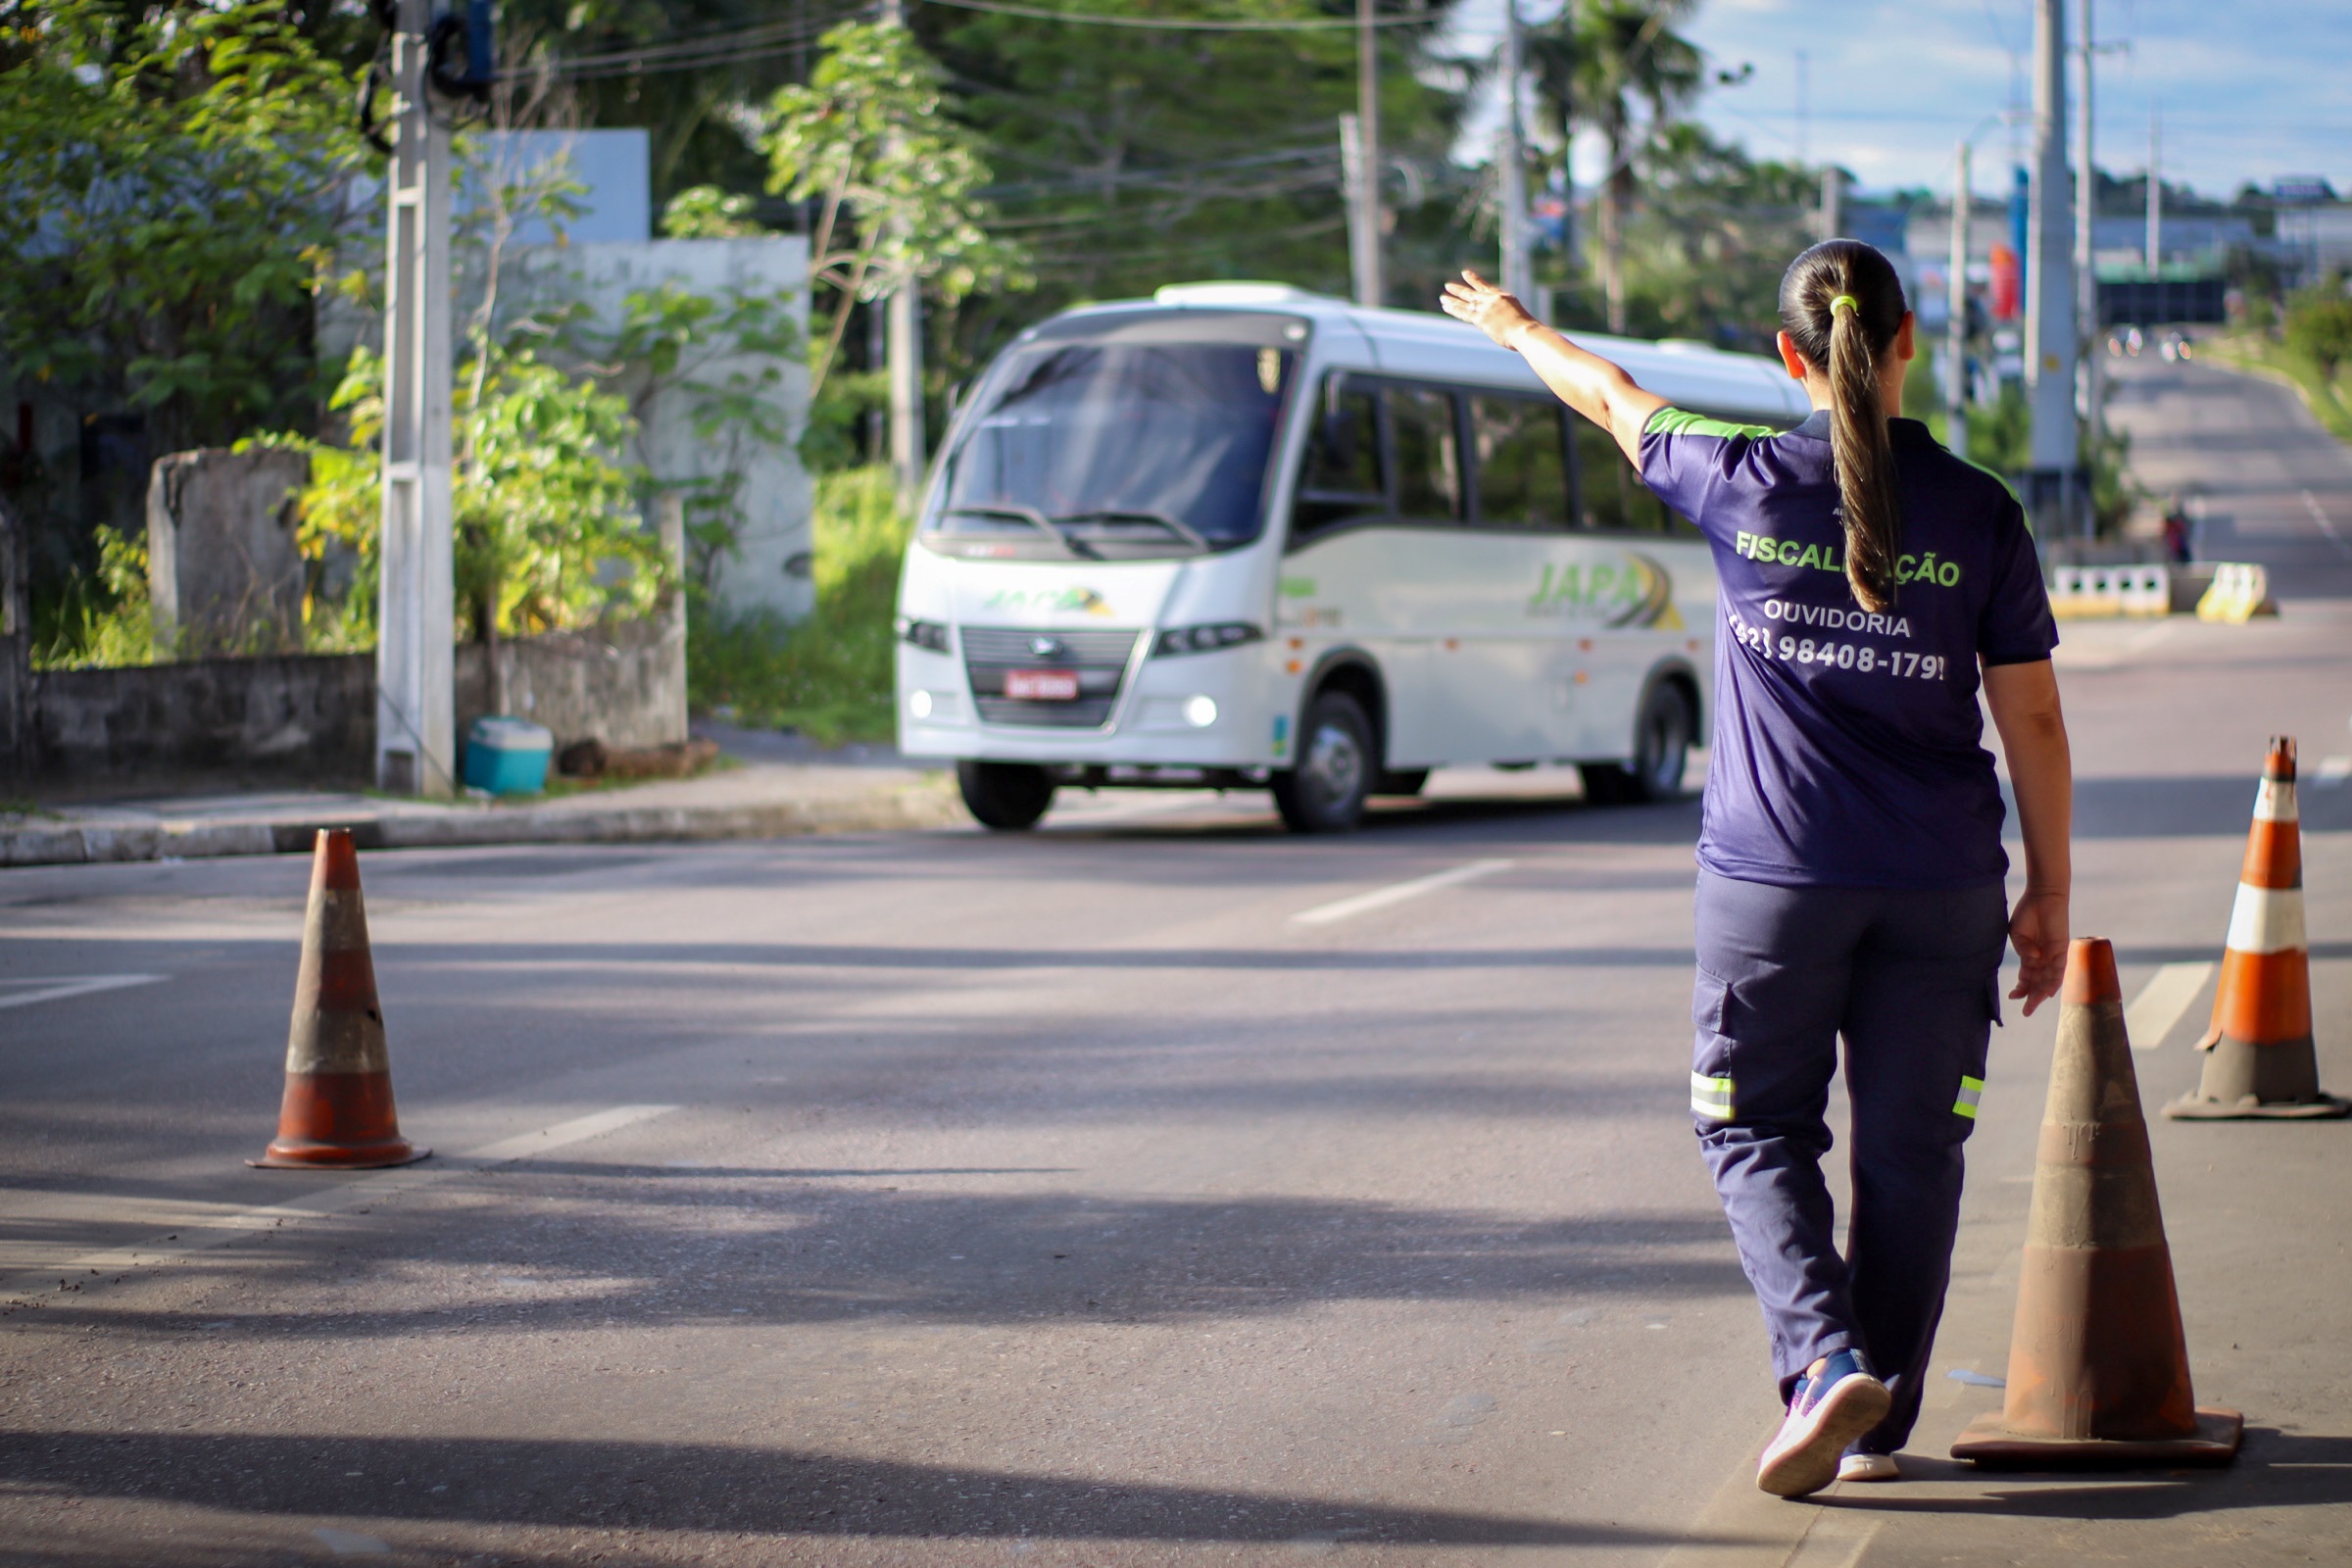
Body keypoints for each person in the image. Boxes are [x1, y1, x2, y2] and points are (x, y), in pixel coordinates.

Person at [1441, 242, 2073, 1499]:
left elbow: (1607, 391)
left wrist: (1514, 326)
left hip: (1775, 882)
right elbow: (2035, 724)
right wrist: (2049, 890)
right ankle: (1874, 1418)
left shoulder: (1738, 478)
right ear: (1906, 344)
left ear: (1790, 355)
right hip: (1944, 885)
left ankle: (1824, 1358)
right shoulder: (1981, 512)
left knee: (1753, 1126)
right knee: (1911, 1155)